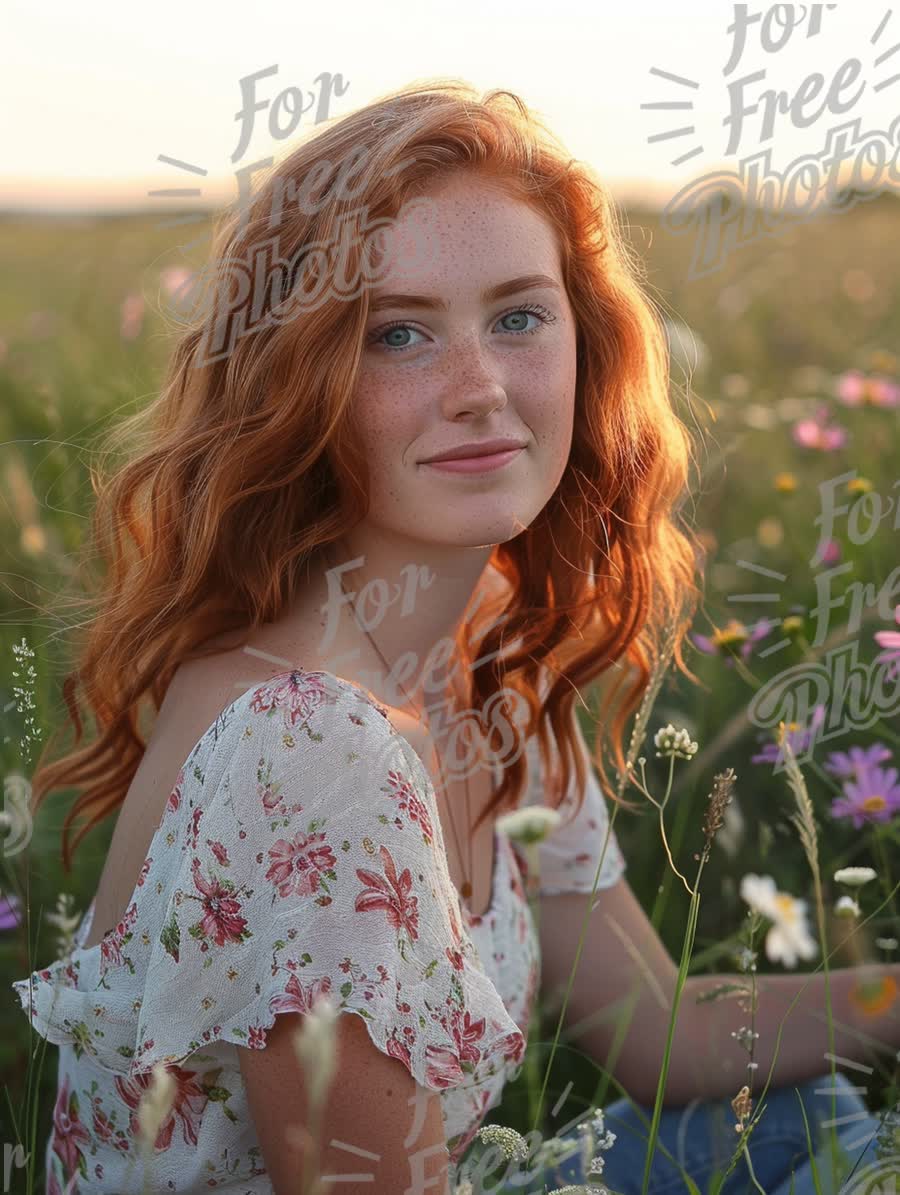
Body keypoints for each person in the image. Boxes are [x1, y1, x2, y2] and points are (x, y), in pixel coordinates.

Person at [12, 80, 898, 1195]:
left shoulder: (488, 654)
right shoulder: (308, 745)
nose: (480, 388)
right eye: (398, 334)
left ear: (589, 341)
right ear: (299, 379)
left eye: (519, 316)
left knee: (793, 1113)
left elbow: (665, 1035)